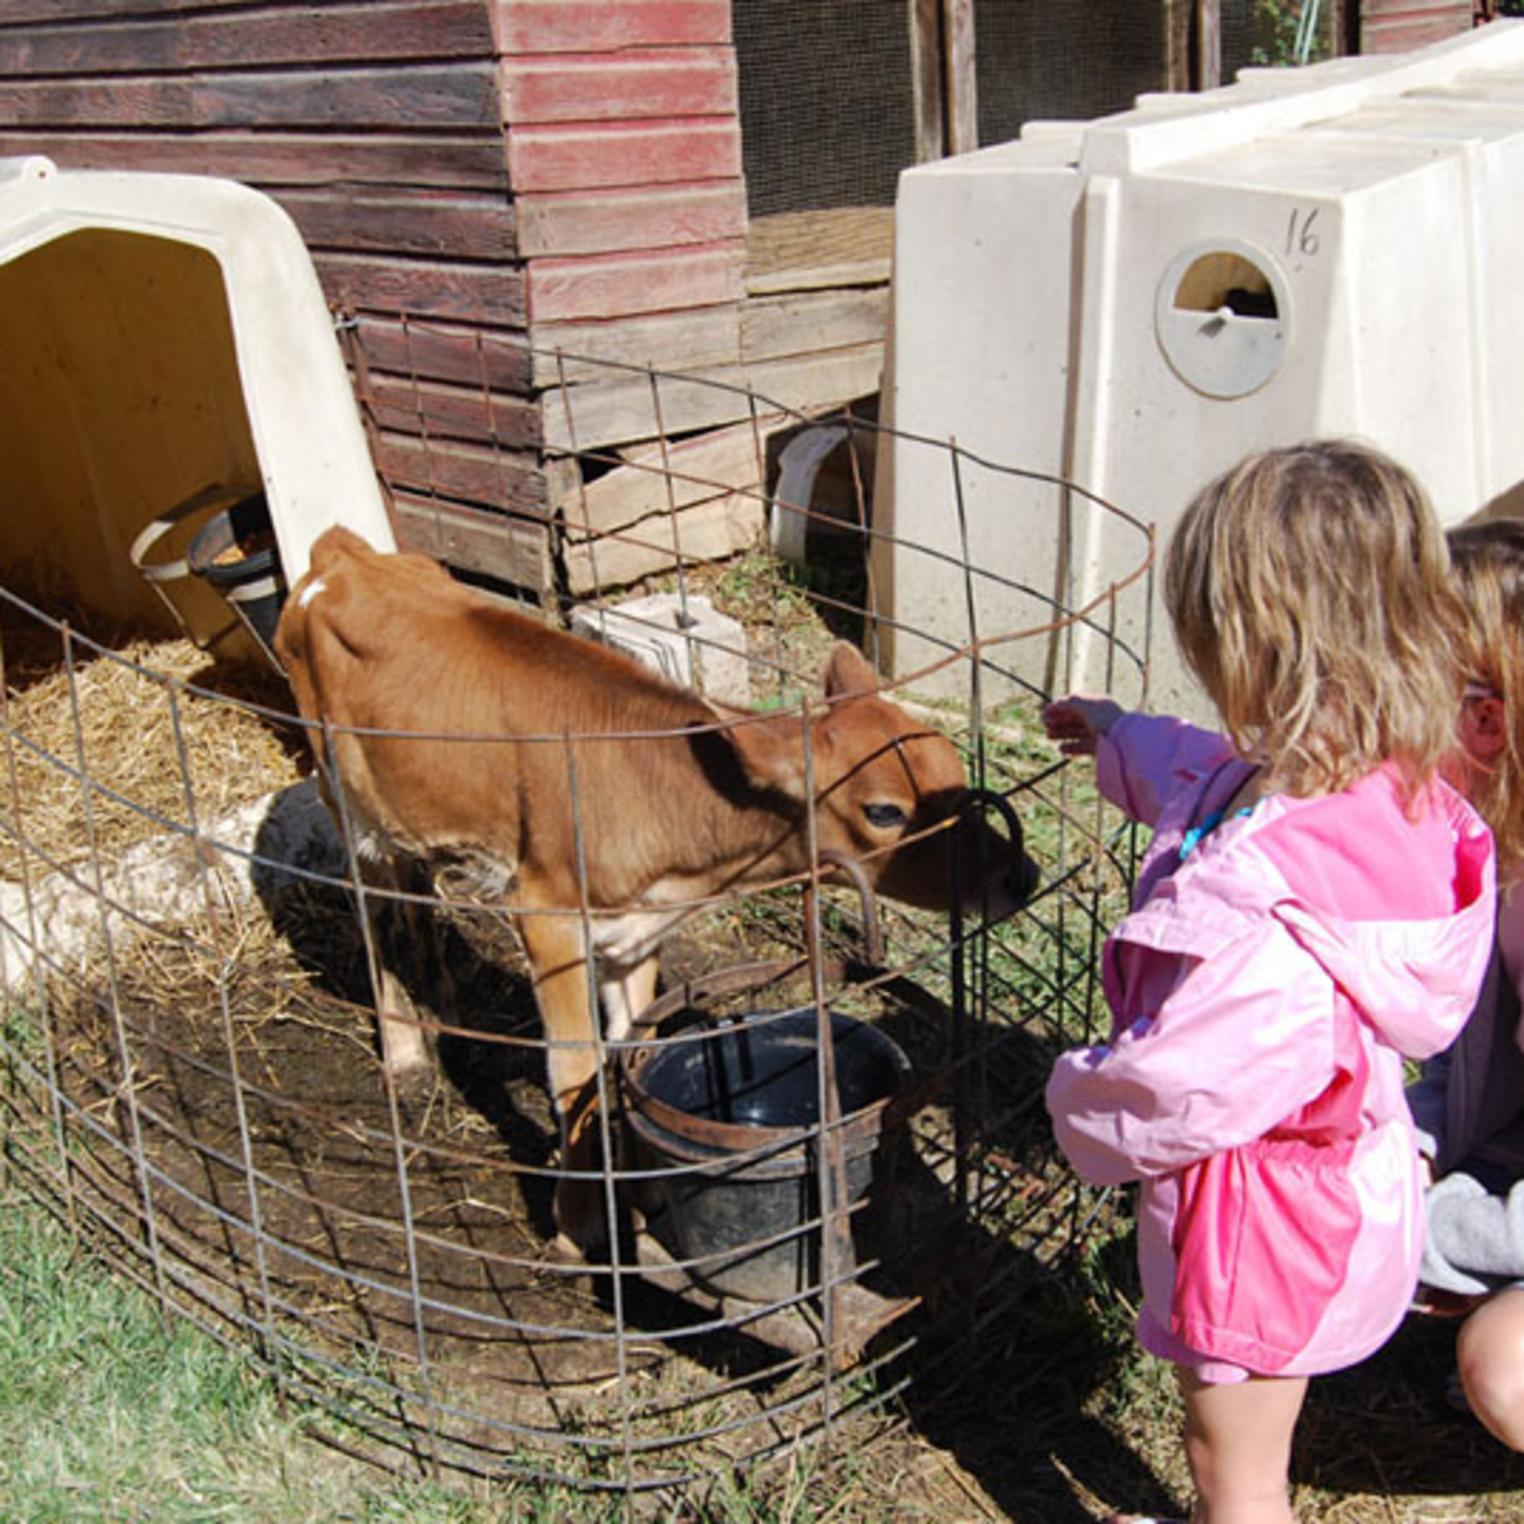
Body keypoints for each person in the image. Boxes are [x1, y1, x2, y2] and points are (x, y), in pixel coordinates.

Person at [1042, 442, 1498, 1524]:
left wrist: (1077, 1100)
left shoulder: (1269, 926)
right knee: (1243, 1441)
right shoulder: (1375, 790)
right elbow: (1206, 775)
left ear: (1265, 655)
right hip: (1324, 1181)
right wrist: (1119, 739)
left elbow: (1175, 1089)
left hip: (1259, 1227)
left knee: (1231, 1458)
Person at [1409, 518, 1524, 1450]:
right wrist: (1402, 1146)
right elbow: (1480, 1074)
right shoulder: (1492, 856)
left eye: (1398, 690)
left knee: (1507, 1369)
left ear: (1483, 718)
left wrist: (1421, 1234)